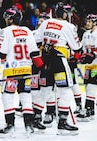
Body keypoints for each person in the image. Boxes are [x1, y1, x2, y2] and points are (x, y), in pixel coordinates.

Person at [0, 7, 44, 138]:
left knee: (7, 97)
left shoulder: (5, 31)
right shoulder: (27, 31)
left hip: (11, 70)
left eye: (7, 18)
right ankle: (29, 125)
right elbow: (34, 53)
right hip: (27, 70)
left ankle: (10, 126)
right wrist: (41, 68)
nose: (5, 20)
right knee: (26, 96)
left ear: (10, 19)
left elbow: (1, 54)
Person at [32, 2, 82, 136]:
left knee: (45, 90)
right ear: (64, 13)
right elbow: (77, 47)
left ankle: (36, 119)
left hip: (45, 60)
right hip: (59, 60)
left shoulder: (45, 23)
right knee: (64, 91)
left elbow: (36, 41)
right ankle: (63, 123)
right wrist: (75, 59)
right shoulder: (69, 26)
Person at [77, 14, 97, 122]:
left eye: (90, 21)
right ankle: (90, 112)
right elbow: (81, 49)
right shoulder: (86, 33)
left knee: (91, 87)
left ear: (95, 22)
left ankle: (88, 110)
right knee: (87, 87)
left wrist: (91, 55)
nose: (87, 23)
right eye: (87, 21)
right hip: (90, 65)